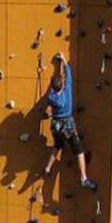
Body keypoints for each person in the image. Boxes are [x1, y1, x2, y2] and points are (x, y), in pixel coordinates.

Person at [42, 53, 97, 190]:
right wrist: (64, 61)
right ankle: (83, 178)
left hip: (56, 125)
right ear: (62, 85)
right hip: (67, 124)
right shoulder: (67, 92)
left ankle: (47, 168)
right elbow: (68, 76)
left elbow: (55, 86)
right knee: (79, 150)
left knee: (58, 146)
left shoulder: (52, 97)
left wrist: (58, 68)